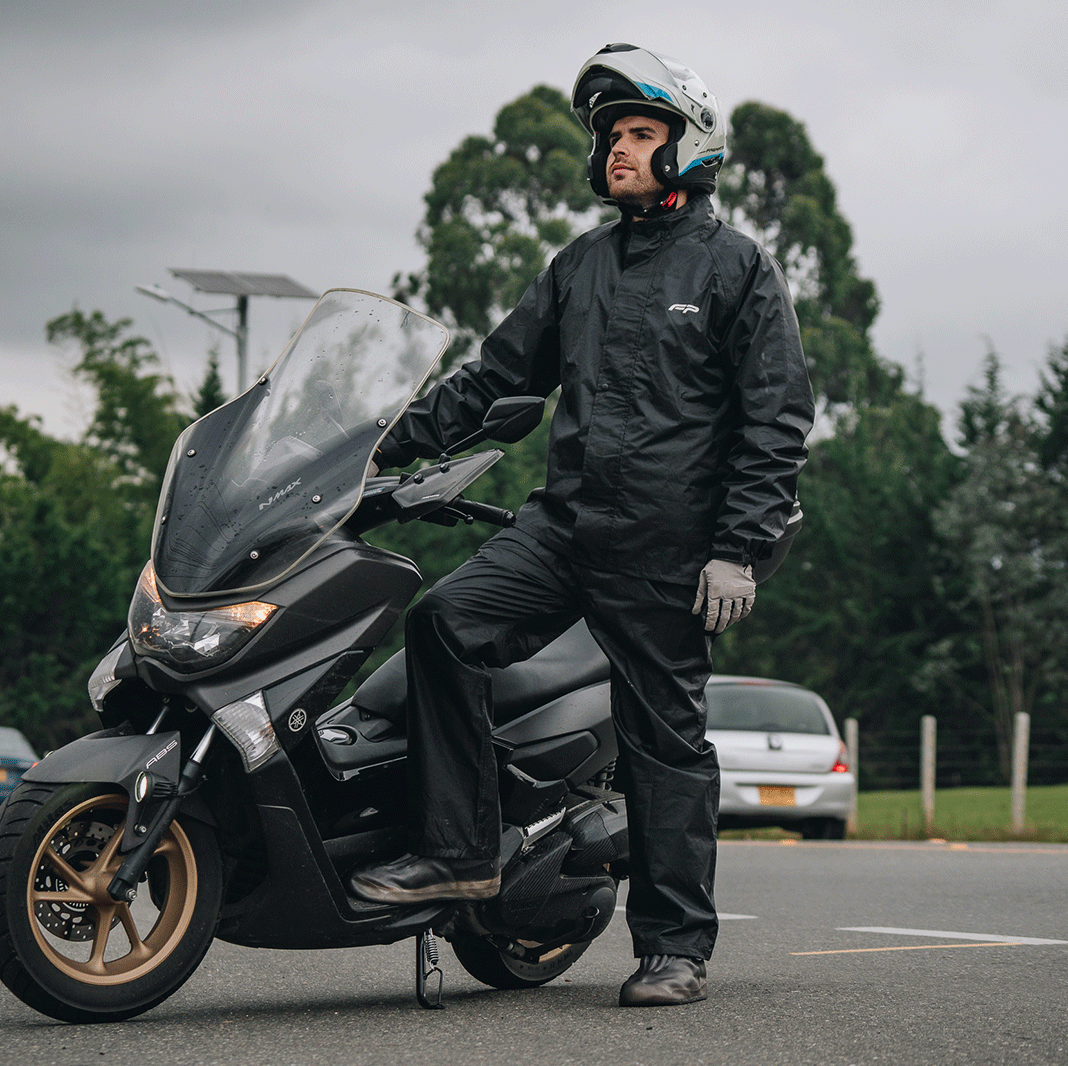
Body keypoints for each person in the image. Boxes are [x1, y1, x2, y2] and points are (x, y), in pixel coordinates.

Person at [349, 43, 814, 1007]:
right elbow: (491, 382)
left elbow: (777, 419)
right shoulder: (580, 267)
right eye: (610, 137)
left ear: (689, 145)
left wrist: (738, 547)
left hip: (672, 546)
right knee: (444, 624)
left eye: (641, 133)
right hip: (564, 527)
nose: (618, 150)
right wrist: (369, 446)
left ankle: (674, 948)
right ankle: (459, 855)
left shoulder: (736, 268)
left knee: (664, 740)